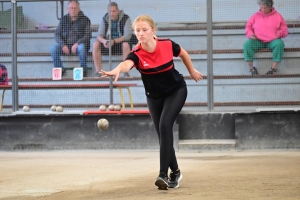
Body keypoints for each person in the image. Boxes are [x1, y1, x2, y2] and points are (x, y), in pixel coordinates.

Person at [99, 15, 203, 190]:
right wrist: (116, 70)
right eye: (137, 30)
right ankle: (176, 172)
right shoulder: (137, 54)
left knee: (165, 126)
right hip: (154, 96)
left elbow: (183, 53)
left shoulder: (167, 44)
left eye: (144, 30)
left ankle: (163, 174)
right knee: (162, 133)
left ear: (152, 31)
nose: (140, 33)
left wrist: (191, 71)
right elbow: (126, 64)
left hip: (176, 90)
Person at [92, 2, 137, 77]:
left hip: (120, 43)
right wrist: (104, 41)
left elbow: (128, 35)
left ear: (118, 11)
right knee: (95, 44)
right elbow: (99, 35)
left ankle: (126, 72)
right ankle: (98, 72)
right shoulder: (105, 18)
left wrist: (114, 41)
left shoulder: (126, 18)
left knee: (126, 44)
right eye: (110, 11)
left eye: (114, 11)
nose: (112, 13)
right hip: (108, 44)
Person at [244, 0, 288, 75]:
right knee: (247, 44)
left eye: (265, 8)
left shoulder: (278, 16)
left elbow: (284, 29)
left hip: (272, 41)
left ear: (270, 7)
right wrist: (251, 34)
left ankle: (273, 69)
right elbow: (248, 27)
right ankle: (252, 68)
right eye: (261, 8)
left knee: (279, 44)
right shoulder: (255, 16)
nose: (263, 10)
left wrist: (278, 34)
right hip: (258, 40)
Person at [50, 0, 91, 77]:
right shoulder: (63, 19)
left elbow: (88, 35)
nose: (73, 10)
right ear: (68, 9)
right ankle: (60, 69)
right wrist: (63, 45)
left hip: (79, 45)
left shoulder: (85, 20)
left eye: (75, 8)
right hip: (65, 45)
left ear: (79, 9)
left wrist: (77, 43)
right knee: (53, 48)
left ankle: (84, 69)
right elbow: (57, 34)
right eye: (71, 8)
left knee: (82, 47)